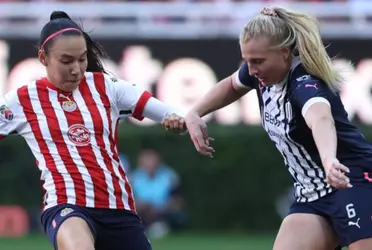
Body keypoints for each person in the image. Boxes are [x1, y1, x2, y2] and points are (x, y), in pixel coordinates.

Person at [163, 6, 372, 250]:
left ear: (285, 53)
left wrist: (328, 161)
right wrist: (195, 112)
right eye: (247, 61)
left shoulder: (304, 82)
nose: (251, 70)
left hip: (352, 180)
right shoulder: (260, 73)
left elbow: (321, 119)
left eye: (258, 61)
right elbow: (231, 85)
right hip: (312, 193)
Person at [0, 11, 183, 250]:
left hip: (119, 209)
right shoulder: (23, 99)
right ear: (43, 58)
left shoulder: (107, 87)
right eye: (66, 61)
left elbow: (165, 111)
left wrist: (179, 120)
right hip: (66, 205)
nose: (76, 69)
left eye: (82, 59)